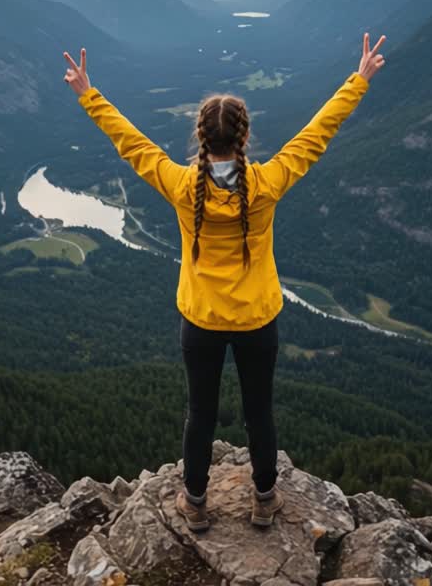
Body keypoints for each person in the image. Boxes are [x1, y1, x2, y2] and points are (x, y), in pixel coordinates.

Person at [62, 33, 387, 531]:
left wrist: (88, 93)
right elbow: (319, 132)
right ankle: (263, 499)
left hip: (201, 321)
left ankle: (194, 503)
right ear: (244, 137)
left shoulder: (178, 184)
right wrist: (359, 79)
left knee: (200, 413)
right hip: (258, 319)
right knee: (260, 413)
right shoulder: (268, 182)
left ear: (199, 138)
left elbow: (130, 142)